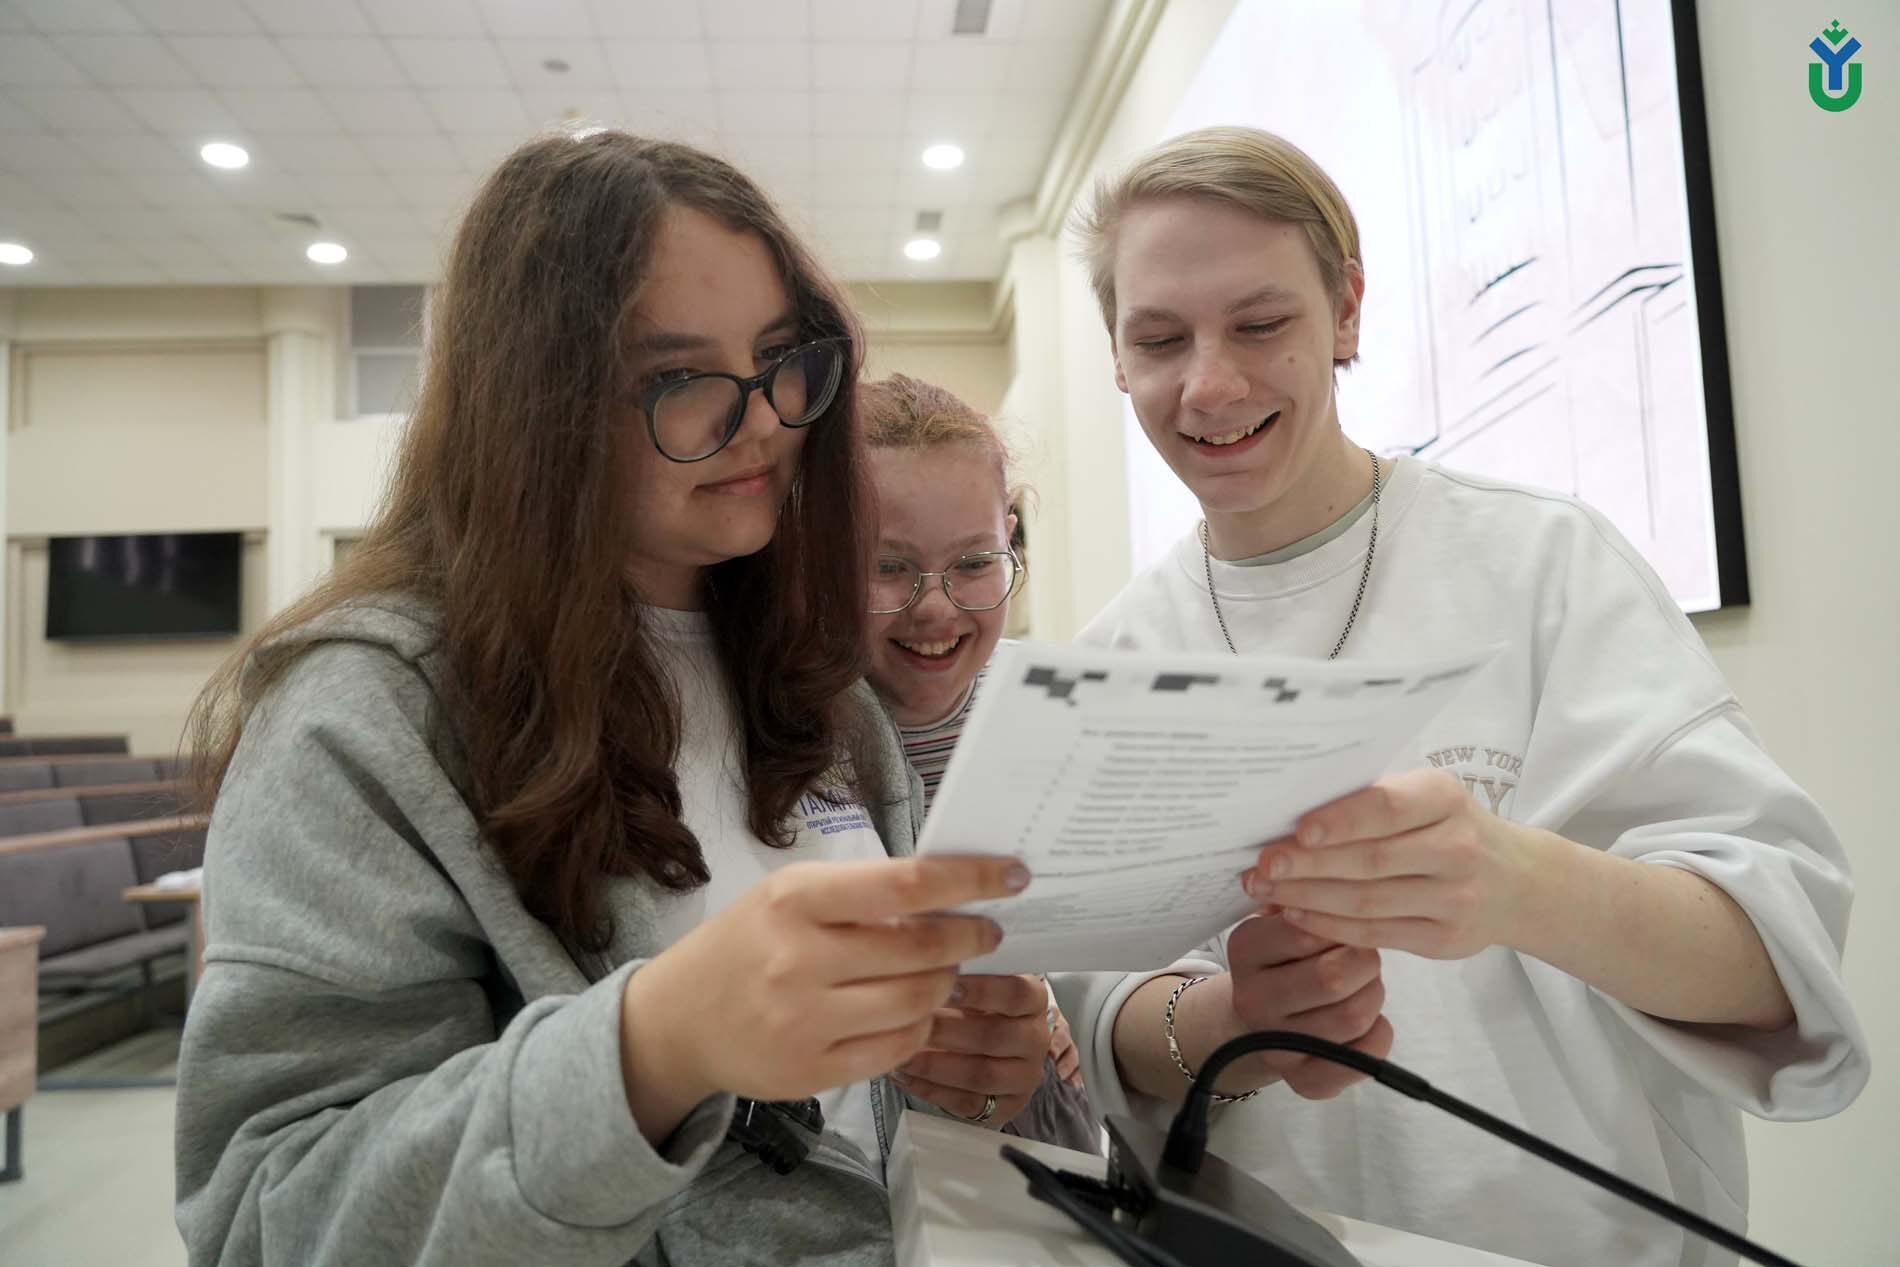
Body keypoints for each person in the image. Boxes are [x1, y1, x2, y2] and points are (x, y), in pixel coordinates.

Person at [173, 131, 1059, 1267]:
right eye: (680, 380)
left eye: (780, 357)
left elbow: (841, 1129)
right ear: (537, 410)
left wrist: (937, 1065)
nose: (763, 420)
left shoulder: (820, 690)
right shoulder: (364, 716)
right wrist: (653, 1046)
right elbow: (271, 1216)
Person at [1049, 127, 1868, 1267]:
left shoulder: (1541, 566)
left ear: (1346, 311)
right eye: (1159, 339)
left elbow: (1775, 966)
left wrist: (1518, 882)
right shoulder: (1115, 663)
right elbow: (1103, 1017)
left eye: (1261, 323)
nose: (1210, 384)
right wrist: (1236, 1022)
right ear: (1117, 356)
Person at [857, 373, 1094, 1147]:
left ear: (1009, 543)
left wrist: (1051, 999)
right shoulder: (793, 735)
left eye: (972, 562)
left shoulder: (1055, 713)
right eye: (888, 566)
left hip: (1031, 1118)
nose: (935, 606)